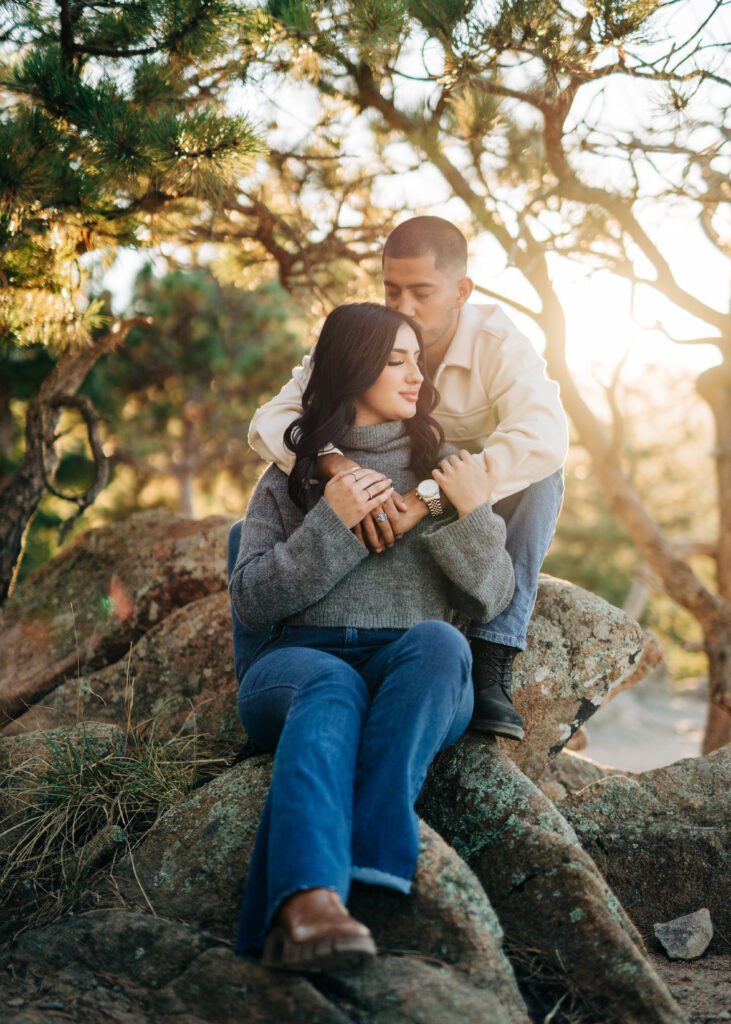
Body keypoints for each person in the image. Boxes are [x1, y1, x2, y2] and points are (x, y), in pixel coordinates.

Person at [228, 302, 515, 970]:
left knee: (444, 645)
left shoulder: (444, 470)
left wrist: (470, 516)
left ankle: (354, 863)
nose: (418, 374)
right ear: (353, 367)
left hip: (406, 673)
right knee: (329, 685)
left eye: (418, 359)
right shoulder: (290, 476)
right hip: (296, 666)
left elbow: (493, 597)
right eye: (396, 361)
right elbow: (251, 603)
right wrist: (332, 526)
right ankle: (310, 902)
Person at [246, 216, 568, 742]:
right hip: (368, 482)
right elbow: (273, 420)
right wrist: (334, 463)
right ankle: (266, 675)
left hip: (456, 488)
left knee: (543, 478)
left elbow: (545, 436)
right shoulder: (365, 338)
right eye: (392, 290)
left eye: (422, 292)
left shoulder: (499, 342)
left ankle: (493, 653)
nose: (404, 308)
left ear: (461, 291)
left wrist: (430, 499)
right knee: (253, 531)